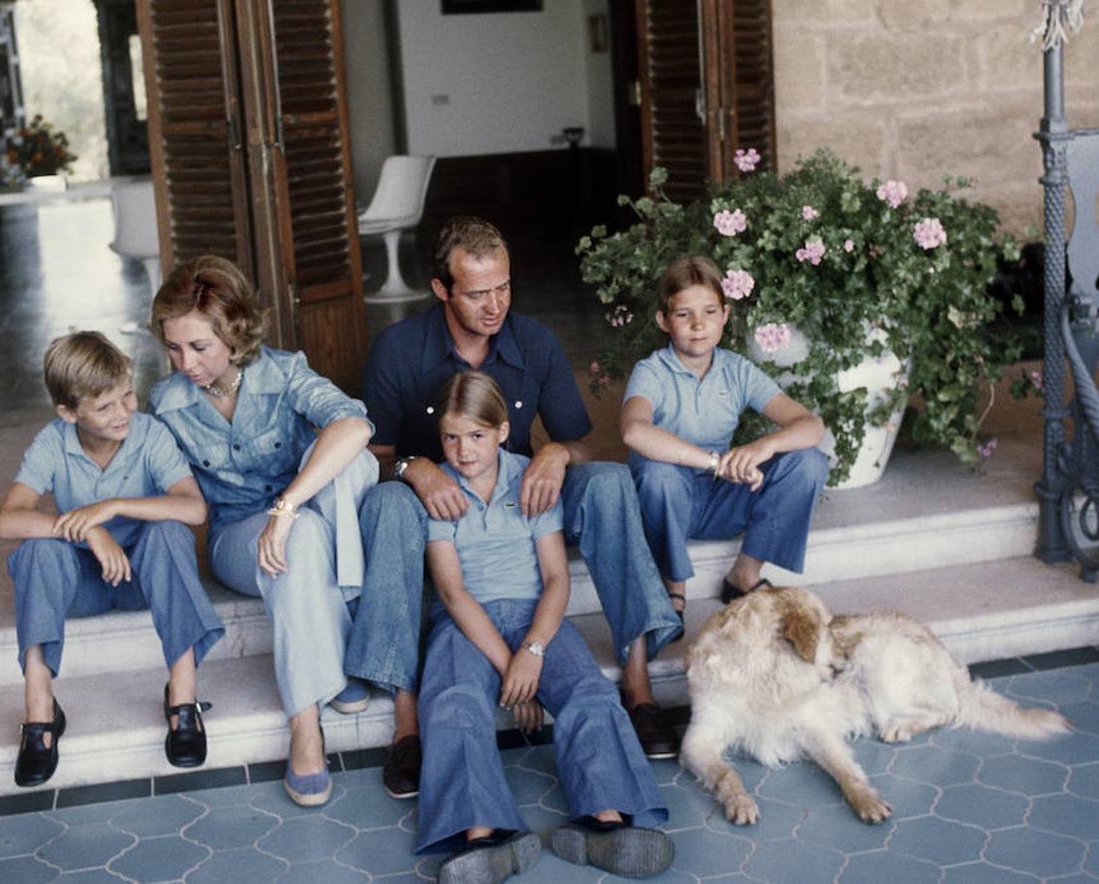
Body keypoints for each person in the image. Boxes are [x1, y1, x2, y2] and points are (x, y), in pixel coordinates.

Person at [346, 216, 682, 800]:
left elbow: (581, 440)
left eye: (503, 288)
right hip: (434, 512)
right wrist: (414, 467)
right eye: (477, 293)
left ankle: (639, 685)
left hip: (522, 500)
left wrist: (555, 453)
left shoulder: (534, 341)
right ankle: (405, 724)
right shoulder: (398, 349)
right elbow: (365, 458)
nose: (494, 304)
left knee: (606, 482)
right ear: (441, 290)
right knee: (386, 506)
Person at [417, 371, 673, 882]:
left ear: (502, 429)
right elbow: (452, 591)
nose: (464, 451)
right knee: (455, 704)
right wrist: (512, 671)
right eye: (451, 437)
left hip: (536, 615)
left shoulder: (530, 478)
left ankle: (606, 822)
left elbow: (557, 579)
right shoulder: (440, 490)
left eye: (477, 436)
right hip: (465, 624)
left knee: (589, 693)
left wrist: (532, 652)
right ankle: (484, 835)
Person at [147, 255, 377, 808]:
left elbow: (355, 423)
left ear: (235, 332)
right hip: (236, 540)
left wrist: (287, 506)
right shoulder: (168, 403)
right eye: (174, 348)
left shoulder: (284, 370)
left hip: (297, 519)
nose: (186, 363)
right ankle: (306, 726)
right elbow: (172, 494)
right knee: (301, 540)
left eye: (199, 347)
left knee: (357, 466)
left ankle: (332, 640)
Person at [0, 331, 225, 788]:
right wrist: (91, 530)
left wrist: (113, 507)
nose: (123, 412)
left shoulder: (149, 433)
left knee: (167, 532)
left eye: (127, 396)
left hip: (144, 578)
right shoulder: (52, 441)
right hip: (82, 586)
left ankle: (182, 700)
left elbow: (193, 508)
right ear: (68, 413)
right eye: (104, 408)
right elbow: (8, 520)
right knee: (38, 548)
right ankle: (40, 714)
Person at [620, 255, 829, 614]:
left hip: (722, 500)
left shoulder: (737, 370)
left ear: (726, 315)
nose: (698, 325)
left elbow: (811, 425)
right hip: (669, 503)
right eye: (684, 314)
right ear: (664, 320)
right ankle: (674, 585)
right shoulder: (651, 372)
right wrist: (715, 462)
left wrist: (763, 447)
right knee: (657, 474)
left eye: (710, 313)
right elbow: (634, 432)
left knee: (808, 462)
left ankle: (744, 574)